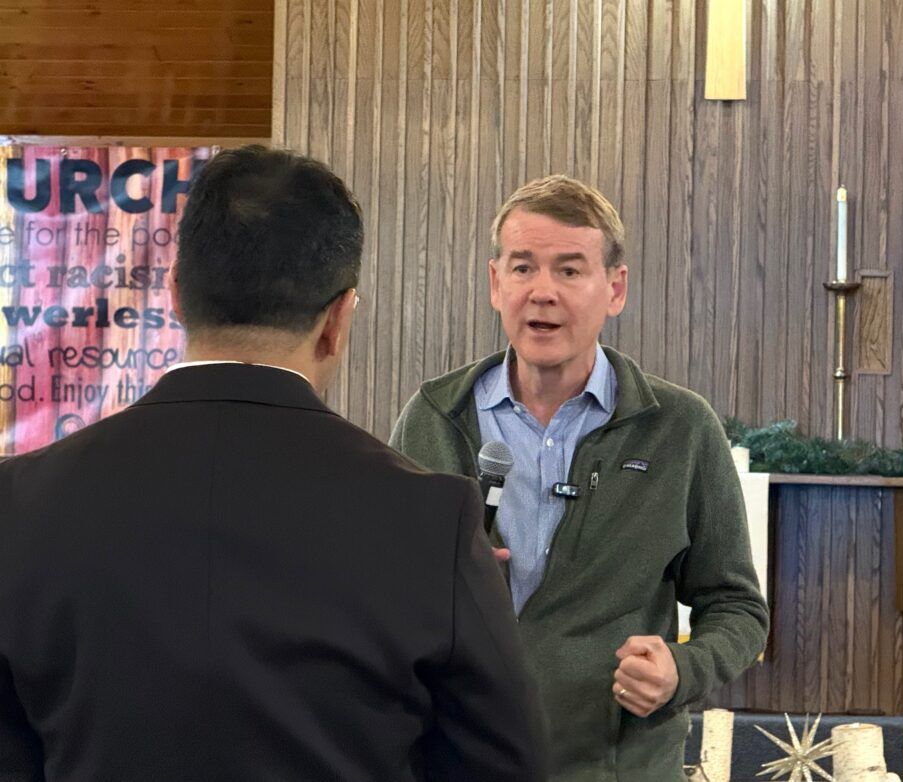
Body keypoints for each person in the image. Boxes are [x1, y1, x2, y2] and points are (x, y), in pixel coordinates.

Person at [0, 146, 548, 781]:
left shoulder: (20, 502)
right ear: (339, 319)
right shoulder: (433, 519)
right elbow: (505, 766)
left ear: (176, 293)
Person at [390, 174, 769, 781]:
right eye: (522, 268)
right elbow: (384, 597)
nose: (542, 292)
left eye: (569, 270)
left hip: (615, 768)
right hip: (458, 762)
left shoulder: (679, 429)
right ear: (495, 283)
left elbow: (739, 610)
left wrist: (681, 670)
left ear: (614, 290)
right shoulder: (434, 420)